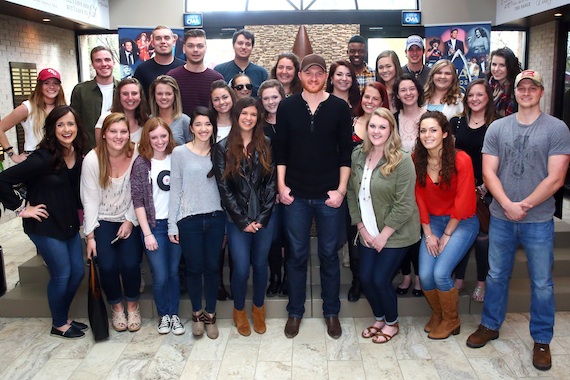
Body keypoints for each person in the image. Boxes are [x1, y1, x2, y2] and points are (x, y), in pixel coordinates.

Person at [466, 70, 570, 372]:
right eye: (521, 87)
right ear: (515, 92)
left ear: (541, 92)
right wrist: (507, 204)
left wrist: (523, 205)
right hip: (501, 216)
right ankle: (490, 324)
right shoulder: (498, 127)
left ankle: (541, 340)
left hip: (537, 219)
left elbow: (557, 177)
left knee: (542, 282)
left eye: (532, 87)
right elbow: (488, 172)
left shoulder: (556, 128)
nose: (526, 92)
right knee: (496, 275)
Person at [275, 54, 352, 339]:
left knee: (329, 255)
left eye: (320, 73)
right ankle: (295, 312)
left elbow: (346, 153)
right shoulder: (287, 106)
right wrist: (282, 187)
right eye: (309, 72)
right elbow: (280, 150)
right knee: (296, 256)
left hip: (329, 195)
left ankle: (331, 312)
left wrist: (341, 191)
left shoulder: (340, 107)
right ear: (301, 75)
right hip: (295, 195)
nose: (315, 77)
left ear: (326, 77)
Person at [0, 106, 87, 339]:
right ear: (51, 129)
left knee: (78, 272)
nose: (66, 129)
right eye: (60, 125)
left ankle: (63, 317)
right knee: (62, 274)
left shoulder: (77, 154)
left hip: (67, 222)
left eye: (70, 124)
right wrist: (21, 209)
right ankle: (59, 323)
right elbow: (3, 180)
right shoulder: (42, 157)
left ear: (77, 127)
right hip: (44, 225)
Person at [347, 107, 420, 344]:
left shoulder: (402, 159)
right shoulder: (358, 154)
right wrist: (361, 228)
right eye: (372, 126)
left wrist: (384, 236)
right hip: (367, 230)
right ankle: (379, 318)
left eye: (382, 126)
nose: (376, 131)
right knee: (365, 278)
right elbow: (351, 193)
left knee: (380, 279)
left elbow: (405, 203)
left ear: (391, 130)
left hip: (396, 233)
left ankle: (391, 322)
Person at [214, 97, 276, 336]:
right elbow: (224, 188)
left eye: (253, 114)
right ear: (236, 116)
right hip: (236, 220)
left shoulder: (266, 143)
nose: (248, 118)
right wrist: (243, 220)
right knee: (240, 268)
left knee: (261, 265)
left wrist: (262, 216)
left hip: (263, 218)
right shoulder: (222, 147)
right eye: (244, 114)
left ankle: (258, 308)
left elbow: (271, 183)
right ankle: (239, 310)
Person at [414, 111, 479, 340]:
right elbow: (419, 198)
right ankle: (439, 314)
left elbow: (463, 202)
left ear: (444, 133)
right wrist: (429, 233)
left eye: (433, 130)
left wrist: (447, 235)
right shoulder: (417, 159)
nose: (427, 135)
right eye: (423, 130)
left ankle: (452, 320)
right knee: (425, 274)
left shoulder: (462, 159)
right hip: (432, 223)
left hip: (461, 222)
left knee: (441, 273)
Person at [81, 112, 143, 333]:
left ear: (129, 133)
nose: (118, 136)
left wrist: (129, 221)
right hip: (103, 220)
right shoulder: (92, 159)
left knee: (130, 263)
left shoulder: (136, 154)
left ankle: (133, 305)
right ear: (104, 134)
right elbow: (89, 199)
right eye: (113, 131)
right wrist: (90, 236)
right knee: (106, 264)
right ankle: (117, 307)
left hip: (130, 217)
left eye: (123, 131)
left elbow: (140, 192)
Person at [168, 107, 225, 339]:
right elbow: (175, 190)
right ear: (191, 127)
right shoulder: (180, 153)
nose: (203, 129)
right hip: (188, 219)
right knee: (193, 269)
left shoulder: (220, 152)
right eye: (198, 124)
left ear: (214, 127)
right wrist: (173, 223)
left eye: (208, 124)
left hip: (215, 218)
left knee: (212, 268)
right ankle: (197, 313)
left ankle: (211, 314)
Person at [130, 117, 184, 335]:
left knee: (173, 273)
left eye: (163, 136)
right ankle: (164, 315)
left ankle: (174, 315)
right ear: (147, 138)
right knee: (160, 275)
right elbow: (138, 201)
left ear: (169, 136)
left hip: (176, 225)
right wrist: (147, 233)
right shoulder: (142, 163)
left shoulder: (177, 157)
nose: (160, 141)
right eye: (154, 137)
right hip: (154, 227)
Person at [451, 79, 496, 302]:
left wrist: (486, 187)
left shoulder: (496, 125)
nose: (475, 99)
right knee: (459, 232)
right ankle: (458, 279)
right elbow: (448, 156)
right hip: (460, 189)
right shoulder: (456, 123)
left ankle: (481, 281)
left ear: (488, 97)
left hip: (486, 190)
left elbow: (502, 159)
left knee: (481, 237)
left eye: (480, 95)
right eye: (470, 95)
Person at [392, 74, 426, 297]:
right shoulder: (393, 118)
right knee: (402, 228)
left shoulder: (429, 116)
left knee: (419, 230)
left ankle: (420, 277)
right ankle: (406, 275)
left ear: (418, 90)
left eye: (411, 89)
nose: (408, 93)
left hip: (423, 181)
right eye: (403, 90)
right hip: (399, 182)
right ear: (397, 95)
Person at [258, 79, 288, 297]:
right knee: (274, 237)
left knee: (291, 236)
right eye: (266, 98)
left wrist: (284, 186)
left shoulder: (293, 120)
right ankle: (275, 276)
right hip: (268, 192)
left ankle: (289, 277)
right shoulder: (259, 126)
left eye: (274, 97)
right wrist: (273, 189)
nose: (270, 102)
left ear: (282, 96)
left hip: (293, 188)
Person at [0, 68, 66, 163]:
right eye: (46, 83)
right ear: (39, 86)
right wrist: (12, 154)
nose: (52, 87)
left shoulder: (62, 108)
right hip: (36, 159)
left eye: (55, 83)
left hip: (59, 158)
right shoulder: (27, 107)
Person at [210, 79, 237, 300]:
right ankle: (217, 283)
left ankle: (236, 284)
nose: (221, 102)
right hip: (212, 189)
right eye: (216, 99)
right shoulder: (208, 125)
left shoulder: (241, 122)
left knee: (234, 237)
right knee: (219, 239)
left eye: (225, 97)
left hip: (238, 191)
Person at [167, 29, 224, 116]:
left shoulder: (216, 79)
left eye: (200, 46)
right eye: (190, 46)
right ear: (184, 49)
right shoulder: (172, 77)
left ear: (206, 48)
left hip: (208, 128)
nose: (195, 50)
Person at [71, 46, 117, 149]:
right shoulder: (81, 90)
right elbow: (74, 122)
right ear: (93, 65)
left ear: (113, 63)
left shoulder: (124, 90)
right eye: (98, 60)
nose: (104, 64)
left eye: (107, 60)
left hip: (120, 150)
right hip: (90, 150)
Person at [134, 26, 185, 100]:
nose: (163, 42)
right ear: (152, 43)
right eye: (158, 38)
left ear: (173, 42)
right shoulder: (142, 69)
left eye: (167, 38)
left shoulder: (184, 67)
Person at [214, 29, 268, 96]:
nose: (243, 47)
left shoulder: (261, 73)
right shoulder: (220, 71)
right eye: (240, 43)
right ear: (233, 45)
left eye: (248, 44)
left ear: (252, 47)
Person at [95, 78, 149, 145]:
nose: (130, 98)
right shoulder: (105, 118)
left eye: (134, 93)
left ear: (140, 96)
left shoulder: (146, 121)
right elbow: (100, 151)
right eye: (125, 94)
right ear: (119, 96)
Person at [148, 75, 191, 145]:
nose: (164, 97)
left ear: (174, 95)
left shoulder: (185, 121)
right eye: (159, 94)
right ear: (154, 96)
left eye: (168, 94)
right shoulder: (149, 121)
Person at [485, 47, 522, 117]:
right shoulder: (485, 87)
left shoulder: (518, 89)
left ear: (510, 67)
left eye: (502, 65)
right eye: (494, 64)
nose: (496, 69)